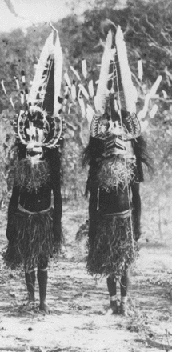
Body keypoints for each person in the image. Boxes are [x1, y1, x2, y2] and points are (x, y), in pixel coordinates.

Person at [83, 25, 151, 315]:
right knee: (109, 256)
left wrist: (136, 223)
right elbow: (93, 193)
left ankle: (123, 300)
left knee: (124, 255)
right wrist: (94, 221)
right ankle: (113, 300)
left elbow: (136, 195)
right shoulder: (99, 149)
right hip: (105, 212)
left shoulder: (128, 137)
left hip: (124, 212)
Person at [4, 29, 63, 313]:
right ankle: (30, 299)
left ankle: (42, 301)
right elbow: (15, 194)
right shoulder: (21, 164)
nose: (33, 150)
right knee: (28, 258)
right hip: (26, 217)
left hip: (43, 218)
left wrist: (56, 225)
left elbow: (58, 195)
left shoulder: (50, 164)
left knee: (42, 261)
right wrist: (11, 225)